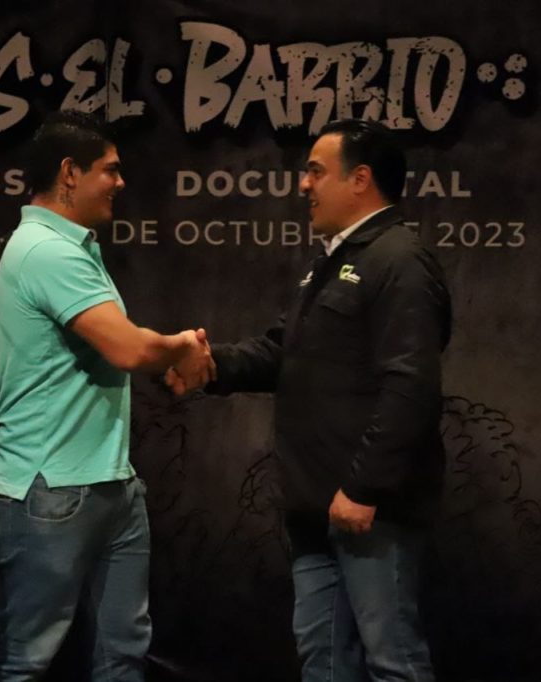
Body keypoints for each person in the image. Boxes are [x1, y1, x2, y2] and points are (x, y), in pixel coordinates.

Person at [168, 119, 449, 682]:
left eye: (316, 172)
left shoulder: (399, 260)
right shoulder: (333, 261)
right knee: (323, 662)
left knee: (393, 662)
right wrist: (210, 364)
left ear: (360, 179)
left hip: (368, 511)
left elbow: (410, 385)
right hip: (315, 509)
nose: (303, 185)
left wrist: (364, 489)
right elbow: (283, 352)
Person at [0, 111, 212, 682]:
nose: (120, 182)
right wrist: (184, 346)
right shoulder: (46, 250)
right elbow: (128, 349)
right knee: (23, 661)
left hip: (109, 483)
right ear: (69, 173)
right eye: (109, 170)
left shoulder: (72, 247)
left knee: (123, 653)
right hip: (51, 488)